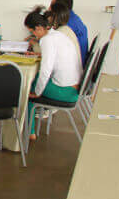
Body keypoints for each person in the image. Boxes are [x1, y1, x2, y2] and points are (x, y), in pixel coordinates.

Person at [25, 9, 82, 139]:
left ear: (39, 28)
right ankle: (31, 130)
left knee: (28, 87)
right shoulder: (57, 35)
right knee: (35, 82)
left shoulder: (46, 40)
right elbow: (56, 57)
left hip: (66, 92)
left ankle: (30, 132)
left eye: (32, 31)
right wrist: (40, 54)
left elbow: (46, 70)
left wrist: (37, 93)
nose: (33, 35)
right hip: (74, 87)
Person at [51, 0, 87, 64]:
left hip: (74, 64)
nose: (49, 8)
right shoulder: (73, 17)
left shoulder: (68, 22)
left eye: (52, 5)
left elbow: (53, 46)